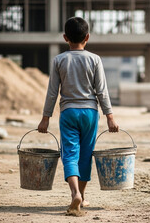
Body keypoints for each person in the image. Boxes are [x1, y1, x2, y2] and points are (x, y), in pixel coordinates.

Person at [37, 16, 119, 216]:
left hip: (68, 113)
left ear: (65, 38)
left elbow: (52, 92)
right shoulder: (95, 59)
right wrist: (110, 116)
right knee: (85, 155)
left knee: (70, 155)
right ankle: (80, 195)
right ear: (87, 37)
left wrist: (45, 117)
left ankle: (75, 194)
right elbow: (102, 91)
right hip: (90, 113)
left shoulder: (59, 60)